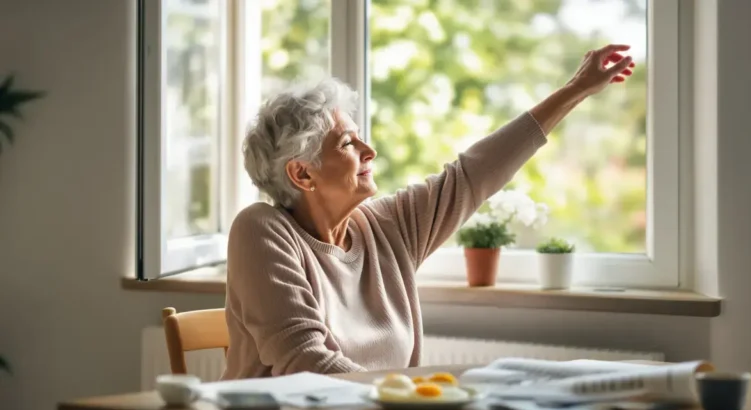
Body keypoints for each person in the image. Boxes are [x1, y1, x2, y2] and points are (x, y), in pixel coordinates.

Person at [221, 44, 635, 379]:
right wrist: (410, 402)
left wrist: (575, 90)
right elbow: (306, 362)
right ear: (302, 174)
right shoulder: (261, 231)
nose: (370, 151)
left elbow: (474, 175)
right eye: (349, 144)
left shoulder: (385, 228)